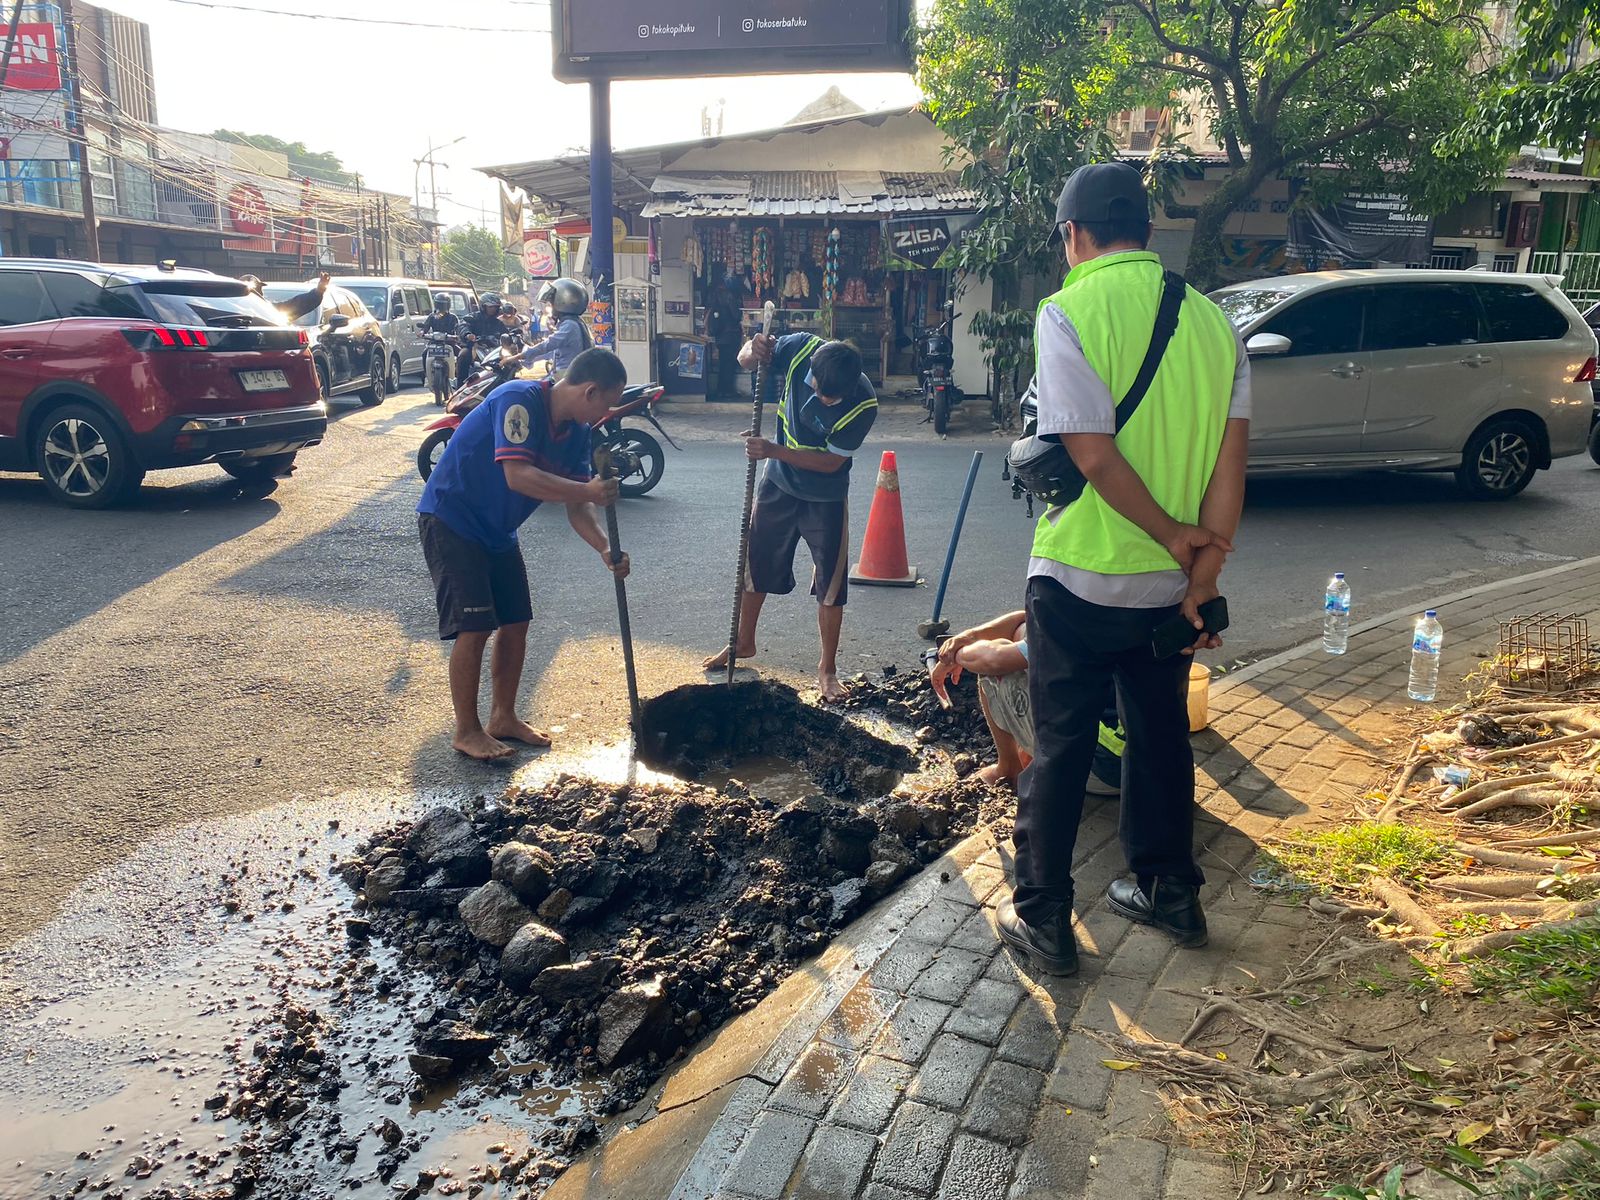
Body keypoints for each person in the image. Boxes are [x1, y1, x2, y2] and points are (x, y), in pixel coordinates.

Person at [998, 161, 1251, 977]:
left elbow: (1089, 452)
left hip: (1076, 576)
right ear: (1146, 231)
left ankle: (1044, 918)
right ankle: (1170, 891)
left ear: (1074, 235)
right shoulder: (1215, 323)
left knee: (1064, 744)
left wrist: (1173, 536)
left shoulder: (1067, 309)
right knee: (1159, 734)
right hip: (1167, 595)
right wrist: (1200, 567)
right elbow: (1229, 460)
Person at [416, 348, 632, 762]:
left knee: (516, 623)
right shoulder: (519, 400)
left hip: (498, 531)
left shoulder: (578, 434)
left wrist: (605, 548)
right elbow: (518, 477)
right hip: (453, 519)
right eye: (608, 402)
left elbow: (578, 506)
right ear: (590, 392)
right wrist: (587, 490)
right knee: (475, 627)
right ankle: (466, 730)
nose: (608, 412)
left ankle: (503, 717)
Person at [701, 334, 877, 702]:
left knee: (831, 584)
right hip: (777, 485)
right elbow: (744, 358)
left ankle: (827, 669)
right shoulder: (799, 348)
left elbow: (832, 462)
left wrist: (772, 450)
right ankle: (742, 643)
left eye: (832, 398)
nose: (823, 399)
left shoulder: (863, 403)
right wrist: (754, 348)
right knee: (756, 564)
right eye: (819, 390)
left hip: (824, 497)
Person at [928, 610, 1123, 793]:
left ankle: (1008, 770)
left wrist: (956, 655)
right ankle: (1029, 752)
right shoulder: (1119, 604)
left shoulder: (1072, 616)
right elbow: (1024, 619)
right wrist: (968, 636)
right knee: (1026, 636)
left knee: (993, 669)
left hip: (1100, 770)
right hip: (1143, 768)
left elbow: (992, 660)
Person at [522, 278, 593, 376]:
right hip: (566, 372)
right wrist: (528, 357)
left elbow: (548, 345)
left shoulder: (570, 325)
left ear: (563, 302)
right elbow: (553, 351)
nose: (551, 307)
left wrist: (519, 356)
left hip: (567, 375)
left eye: (552, 304)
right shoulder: (574, 322)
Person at [459, 292, 510, 385]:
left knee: (509, 361)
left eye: (495, 307)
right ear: (483, 306)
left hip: (494, 350)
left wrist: (512, 336)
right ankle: (460, 386)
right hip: (473, 347)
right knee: (463, 355)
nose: (493, 309)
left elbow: (506, 333)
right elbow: (463, 325)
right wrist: (467, 334)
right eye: (490, 307)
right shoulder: (472, 317)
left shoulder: (498, 323)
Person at [706, 283, 745, 400]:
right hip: (730, 337)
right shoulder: (729, 298)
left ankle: (721, 390)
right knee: (729, 365)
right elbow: (736, 315)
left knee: (723, 365)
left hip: (721, 338)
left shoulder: (715, 298)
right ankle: (727, 391)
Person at [246, 272, 329, 322]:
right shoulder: (261, 310)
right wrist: (318, 292)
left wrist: (318, 292)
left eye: (260, 289)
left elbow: (295, 305)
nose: (261, 293)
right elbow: (294, 306)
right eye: (258, 289)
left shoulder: (265, 308)